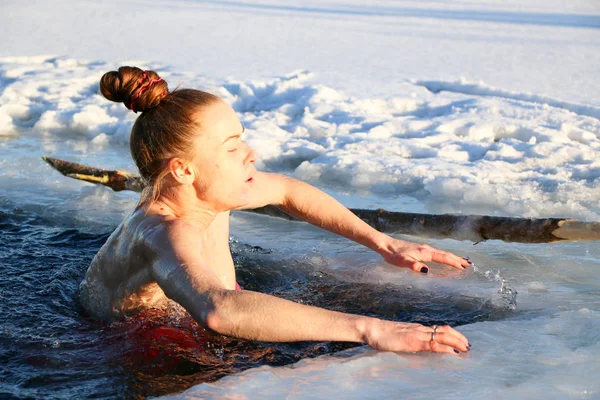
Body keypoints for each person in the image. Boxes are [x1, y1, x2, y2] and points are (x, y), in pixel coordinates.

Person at [79, 66, 472, 356]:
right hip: (138, 345)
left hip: (204, 314)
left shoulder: (208, 192)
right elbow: (218, 309)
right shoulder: (165, 231)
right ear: (183, 169)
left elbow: (286, 191)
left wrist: (384, 244)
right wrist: (372, 330)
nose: (251, 155)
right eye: (232, 148)